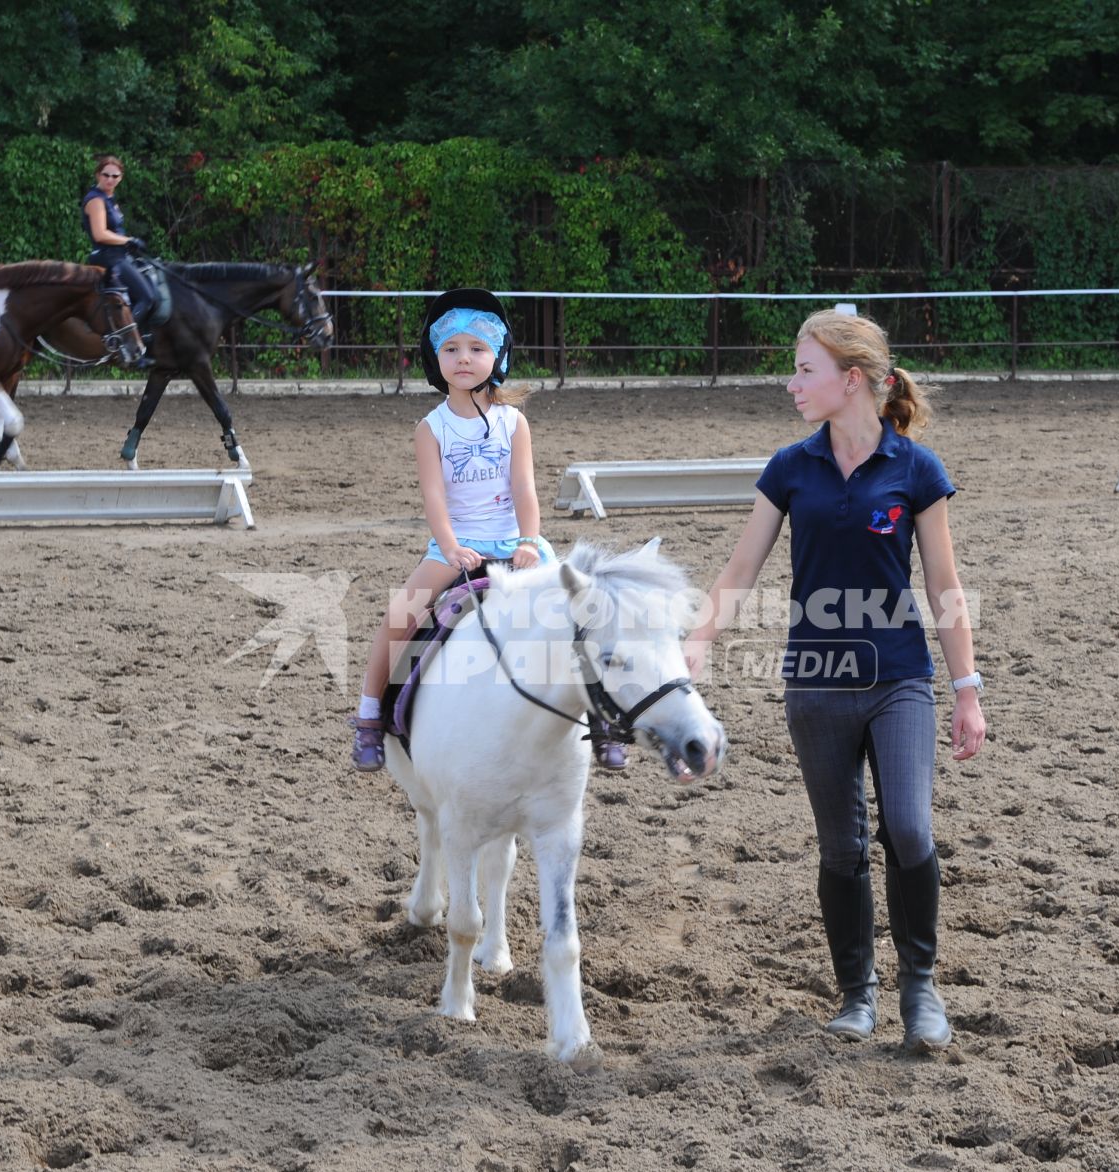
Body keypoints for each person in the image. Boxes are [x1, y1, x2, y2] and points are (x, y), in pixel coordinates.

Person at [683, 309, 986, 1052]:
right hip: (814, 682)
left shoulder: (916, 469)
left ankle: (921, 985)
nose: (792, 382)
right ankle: (857, 992)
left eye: (805, 369)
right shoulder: (791, 467)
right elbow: (741, 567)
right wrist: (696, 642)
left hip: (900, 677)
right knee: (840, 846)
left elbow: (945, 584)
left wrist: (968, 689)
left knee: (908, 827)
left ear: (852, 380)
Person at [349, 287, 628, 773]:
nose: (464, 359)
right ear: (436, 359)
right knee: (401, 614)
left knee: (584, 609)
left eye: (476, 349)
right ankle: (370, 717)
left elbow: (523, 488)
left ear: (497, 356)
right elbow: (434, 497)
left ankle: (604, 718)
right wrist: (453, 547)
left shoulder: (513, 422)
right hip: (454, 543)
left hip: (514, 538)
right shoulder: (430, 428)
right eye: (451, 349)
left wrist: (527, 540)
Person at [82, 154, 156, 367]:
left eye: (115, 176)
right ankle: (126, 343)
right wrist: (129, 240)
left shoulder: (110, 200)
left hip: (120, 256)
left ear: (121, 178)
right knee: (147, 297)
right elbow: (100, 234)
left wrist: (128, 244)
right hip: (109, 258)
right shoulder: (96, 199)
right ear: (98, 174)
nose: (110, 179)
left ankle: (139, 341)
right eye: (106, 175)